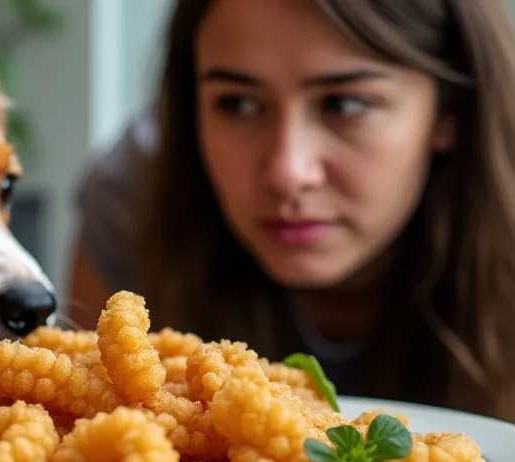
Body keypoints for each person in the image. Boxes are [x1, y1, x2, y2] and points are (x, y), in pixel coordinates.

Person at [66, 0, 515, 420]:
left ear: (450, 111)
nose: (287, 171)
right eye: (238, 104)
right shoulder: (136, 201)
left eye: (345, 104)